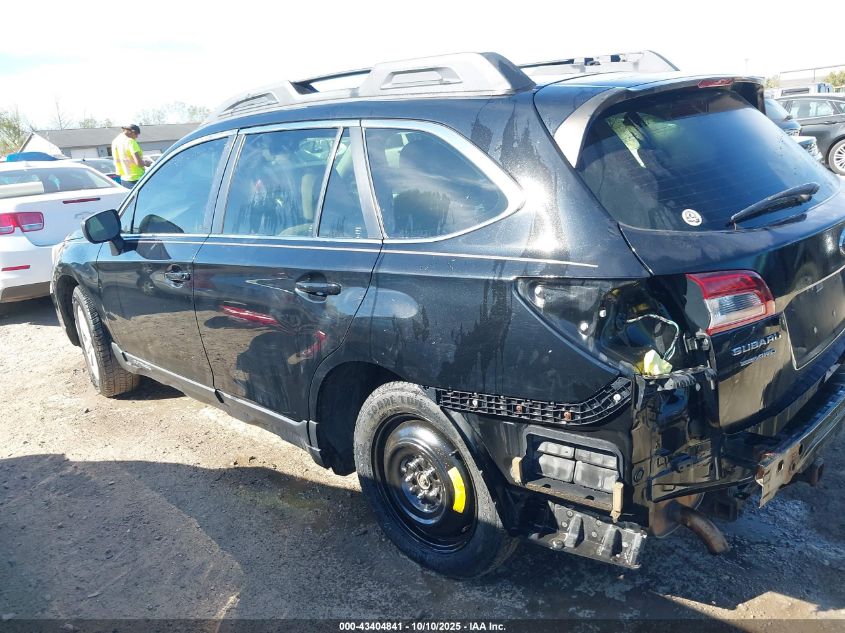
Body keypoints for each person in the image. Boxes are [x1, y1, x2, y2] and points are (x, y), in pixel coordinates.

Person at [111, 124, 145, 189]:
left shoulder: (115, 141)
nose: (137, 137)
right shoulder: (130, 141)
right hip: (137, 178)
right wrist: (146, 163)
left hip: (124, 179)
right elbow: (139, 163)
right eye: (136, 134)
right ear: (131, 132)